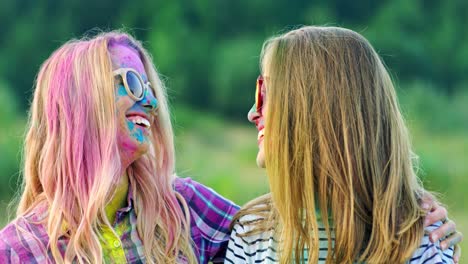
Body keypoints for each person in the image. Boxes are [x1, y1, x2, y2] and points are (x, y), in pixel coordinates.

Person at [226, 26, 463, 263]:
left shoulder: (421, 240)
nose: (252, 113)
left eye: (265, 93)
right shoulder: (251, 234)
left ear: (314, 110)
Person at [0, 31, 239, 263]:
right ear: (84, 97)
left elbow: (269, 240)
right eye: (133, 84)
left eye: (150, 90)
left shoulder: (184, 208)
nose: (152, 102)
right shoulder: (17, 251)